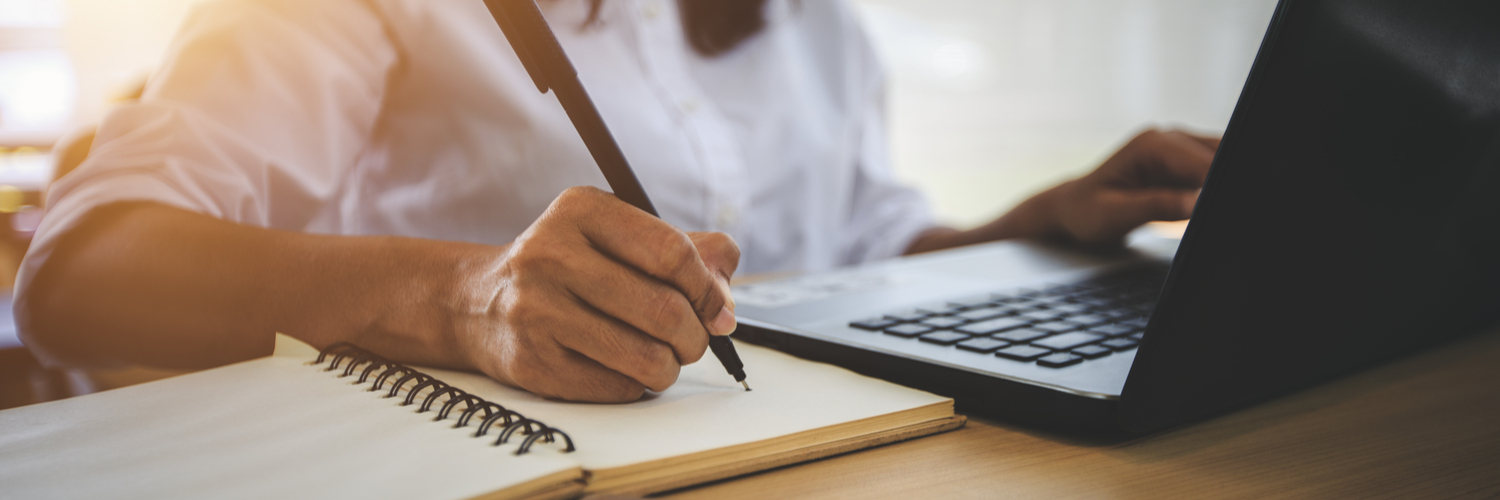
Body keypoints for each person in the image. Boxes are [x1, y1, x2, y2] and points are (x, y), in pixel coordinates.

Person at [15, 0, 1218, 403]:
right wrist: (462, 293)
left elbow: (856, 246)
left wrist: (1036, 220)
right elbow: (76, 270)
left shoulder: (806, 22)